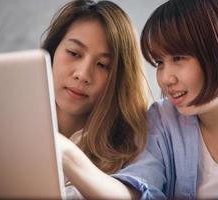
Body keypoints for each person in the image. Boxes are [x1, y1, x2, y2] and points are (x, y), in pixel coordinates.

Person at [58, 0, 218, 199]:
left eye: (178, 58)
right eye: (159, 63)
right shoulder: (162, 118)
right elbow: (135, 192)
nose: (165, 78)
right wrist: (66, 153)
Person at [40, 0, 148, 198]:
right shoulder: (7, 122)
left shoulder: (135, 143)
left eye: (102, 65)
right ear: (52, 52)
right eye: (73, 53)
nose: (82, 74)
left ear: (120, 78)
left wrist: (65, 151)